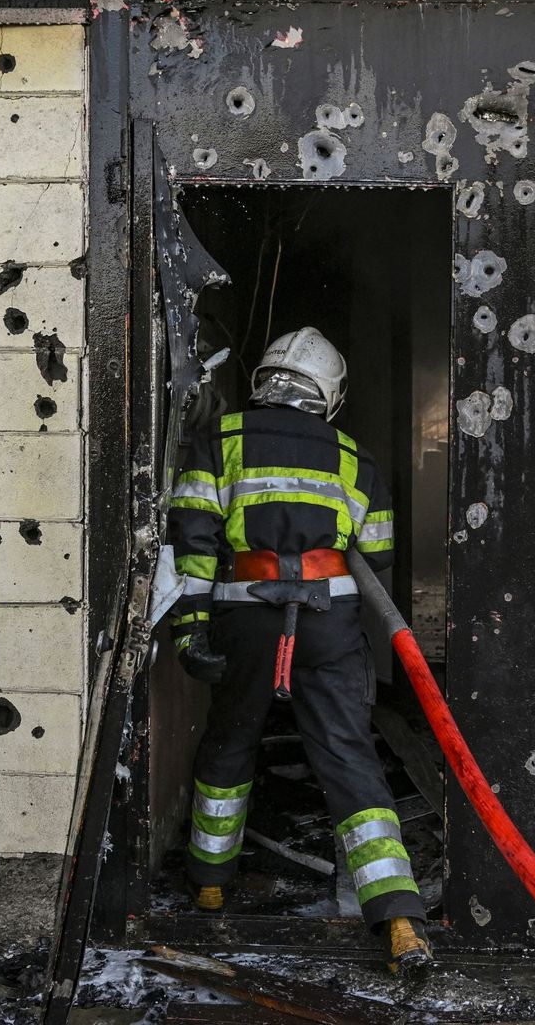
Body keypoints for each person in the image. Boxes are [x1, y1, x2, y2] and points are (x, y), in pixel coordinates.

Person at [165, 326, 433, 972]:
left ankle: (209, 881)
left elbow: (193, 543)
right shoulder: (353, 457)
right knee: (347, 751)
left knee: (232, 739)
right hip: (329, 619)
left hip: (245, 615)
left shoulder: (219, 438)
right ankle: (398, 918)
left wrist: (188, 629)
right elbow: (381, 552)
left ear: (263, 379)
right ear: (330, 394)